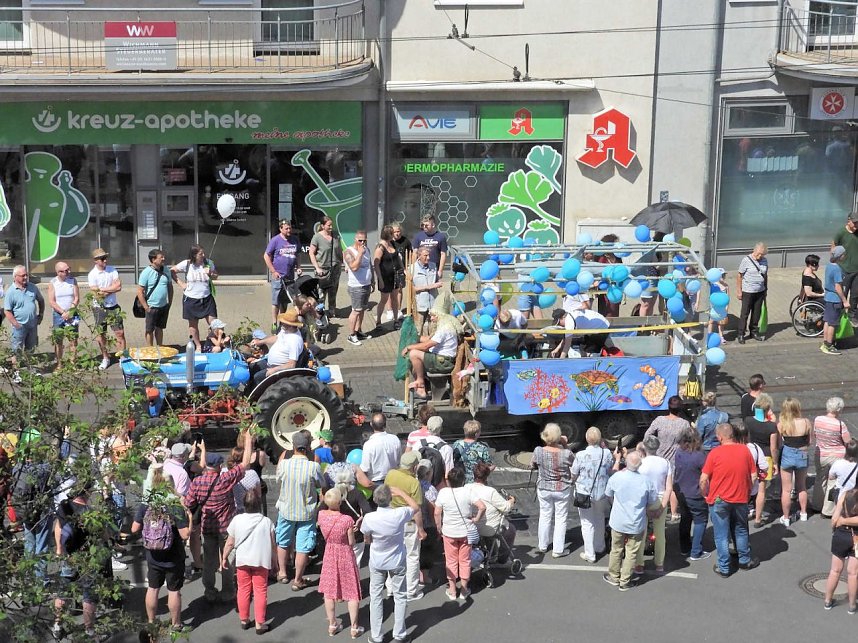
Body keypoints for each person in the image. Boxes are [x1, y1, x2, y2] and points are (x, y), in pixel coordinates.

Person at [183, 432, 252, 603]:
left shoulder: (197, 482)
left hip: (208, 526)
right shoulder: (225, 480)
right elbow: (245, 463)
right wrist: (249, 440)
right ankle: (228, 591)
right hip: (226, 527)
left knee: (209, 561)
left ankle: (210, 590)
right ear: (219, 466)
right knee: (227, 559)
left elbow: (189, 502)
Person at [360, 484, 422, 643]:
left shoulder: (370, 518)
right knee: (400, 596)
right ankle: (400, 635)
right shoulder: (399, 514)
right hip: (397, 560)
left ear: (375, 499)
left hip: (377, 560)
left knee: (376, 597)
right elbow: (415, 507)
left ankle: (376, 636)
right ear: (390, 498)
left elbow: (366, 537)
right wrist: (401, 491)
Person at [130, 482, 191, 636]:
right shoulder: (174, 506)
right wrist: (189, 518)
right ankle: (176, 624)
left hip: (153, 555)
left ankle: (151, 621)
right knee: (174, 590)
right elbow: (184, 535)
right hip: (173, 556)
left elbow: (134, 528)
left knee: (153, 588)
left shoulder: (146, 506)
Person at [700, 423, 758, 578]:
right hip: (740, 498)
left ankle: (724, 567)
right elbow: (753, 475)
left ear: (719, 437)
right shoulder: (745, 450)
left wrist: (705, 494)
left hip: (719, 499)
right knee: (741, 529)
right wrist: (747, 490)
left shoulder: (714, 453)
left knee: (721, 534)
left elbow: (704, 479)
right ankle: (744, 560)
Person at [221, 489, 275, 635]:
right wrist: (274, 561)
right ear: (259, 504)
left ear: (244, 504)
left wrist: (224, 557)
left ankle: (244, 619)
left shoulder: (237, 520)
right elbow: (272, 544)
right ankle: (260, 623)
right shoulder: (266, 521)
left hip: (243, 560)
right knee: (260, 591)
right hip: (260, 560)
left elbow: (230, 542)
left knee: (243, 589)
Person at [274, 431, 323, 590]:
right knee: (303, 546)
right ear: (308, 447)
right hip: (306, 511)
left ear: (293, 446)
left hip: (286, 508)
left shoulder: (284, 464)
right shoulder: (313, 466)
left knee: (283, 540)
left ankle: (282, 572)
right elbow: (320, 484)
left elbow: (278, 480)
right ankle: (298, 579)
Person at [603, 451, 659, 591]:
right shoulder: (646, 481)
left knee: (616, 549)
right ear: (640, 465)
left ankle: (614, 576)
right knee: (631, 552)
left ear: (626, 463)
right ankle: (625, 580)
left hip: (618, 521)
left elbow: (608, 495)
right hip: (636, 522)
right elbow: (652, 501)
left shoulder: (617, 477)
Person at [317, 488, 364, 638]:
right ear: (339, 502)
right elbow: (351, 542)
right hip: (345, 555)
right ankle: (354, 628)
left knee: (329, 592)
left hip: (329, 553)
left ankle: (332, 624)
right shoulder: (346, 520)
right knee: (351, 592)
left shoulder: (321, 515)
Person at [435, 467, 486, 602]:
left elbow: (437, 512)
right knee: (465, 561)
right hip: (465, 532)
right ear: (463, 480)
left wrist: (439, 528)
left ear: (449, 481)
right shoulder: (467, 492)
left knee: (450, 561)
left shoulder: (443, 493)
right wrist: (476, 519)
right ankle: (464, 590)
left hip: (449, 532)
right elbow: (482, 507)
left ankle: (452, 590)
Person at [384, 451, 427, 601]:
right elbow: (417, 509)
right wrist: (421, 529)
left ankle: (390, 587)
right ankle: (410, 591)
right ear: (414, 467)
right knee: (412, 556)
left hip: (392, 519)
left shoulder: (391, 474)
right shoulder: (413, 483)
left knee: (393, 553)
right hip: (408, 522)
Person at [531, 422, 574, 558]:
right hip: (562, 488)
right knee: (561, 518)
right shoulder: (566, 453)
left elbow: (532, 464)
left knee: (545, 515)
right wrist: (565, 444)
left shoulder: (538, 450)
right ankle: (558, 550)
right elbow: (574, 463)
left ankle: (543, 545)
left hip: (544, 487)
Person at [643, 395, 690, 521]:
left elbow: (647, 435)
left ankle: (654, 505)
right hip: (675, 459)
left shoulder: (659, 420)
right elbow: (688, 441)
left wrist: (653, 444)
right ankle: (674, 512)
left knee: (657, 484)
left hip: (658, 456)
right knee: (673, 487)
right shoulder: (684, 424)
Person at [569, 427, 612, 563]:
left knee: (587, 522)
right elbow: (609, 469)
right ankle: (600, 546)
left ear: (587, 439)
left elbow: (574, 474)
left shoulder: (581, 455)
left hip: (584, 493)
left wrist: (571, 482)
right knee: (600, 518)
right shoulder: (606, 453)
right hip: (602, 492)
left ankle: (590, 553)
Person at [402, 308, 460, 400]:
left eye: (433, 316)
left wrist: (410, 347)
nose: (431, 318)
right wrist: (415, 337)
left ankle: (420, 383)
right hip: (442, 359)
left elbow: (426, 346)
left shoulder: (444, 329)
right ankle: (425, 384)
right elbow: (429, 340)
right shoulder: (444, 325)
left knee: (413, 354)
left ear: (439, 315)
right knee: (412, 359)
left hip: (442, 362)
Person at [171, 244, 218, 351]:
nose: (203, 255)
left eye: (203, 253)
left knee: (215, 324)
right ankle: (198, 346)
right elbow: (172, 271)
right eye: (201, 254)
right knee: (193, 325)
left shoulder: (208, 263)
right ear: (194, 255)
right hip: (191, 299)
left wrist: (211, 272)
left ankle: (211, 341)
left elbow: (216, 276)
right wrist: (181, 284)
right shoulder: (187, 264)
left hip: (206, 298)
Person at [673, 428, 710, 560]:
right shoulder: (700, 456)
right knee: (700, 521)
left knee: (685, 519)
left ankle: (684, 547)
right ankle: (696, 551)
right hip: (695, 493)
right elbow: (706, 476)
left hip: (681, 492)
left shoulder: (678, 453)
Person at [813, 397, 853, 516]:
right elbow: (848, 441)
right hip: (837, 456)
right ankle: (828, 511)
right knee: (833, 482)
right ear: (838, 409)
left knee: (820, 479)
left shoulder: (818, 420)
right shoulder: (840, 424)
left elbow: (815, 434)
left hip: (820, 454)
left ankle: (816, 505)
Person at [87, 249, 126, 370]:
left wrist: (104, 290)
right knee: (101, 334)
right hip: (99, 307)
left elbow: (119, 286)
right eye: (102, 258)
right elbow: (97, 294)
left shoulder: (112, 270)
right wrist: (110, 289)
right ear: (95, 261)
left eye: (105, 257)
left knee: (120, 333)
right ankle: (105, 357)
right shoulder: (92, 274)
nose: (105, 260)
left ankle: (122, 357)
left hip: (113, 306)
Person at [776, 397, 812, 525]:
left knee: (786, 489)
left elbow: (779, 443)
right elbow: (809, 441)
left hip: (787, 455)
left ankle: (786, 517)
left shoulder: (781, 424)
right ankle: (803, 513)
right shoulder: (806, 422)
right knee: (802, 486)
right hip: (802, 453)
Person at [745, 392, 778, 527]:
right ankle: (758, 519)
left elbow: (745, 439)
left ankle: (746, 511)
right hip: (766, 457)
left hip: (750, 455)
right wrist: (775, 463)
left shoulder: (748, 421)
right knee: (762, 489)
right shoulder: (771, 426)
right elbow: (773, 448)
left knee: (747, 484)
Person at [263, 219, 301, 329]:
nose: (289, 230)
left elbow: (298, 254)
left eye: (290, 228)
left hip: (290, 277)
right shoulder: (275, 240)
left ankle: (282, 321)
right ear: (281, 229)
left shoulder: (294, 240)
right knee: (276, 301)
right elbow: (266, 256)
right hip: (278, 277)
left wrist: (298, 267)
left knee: (285, 302)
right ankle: (274, 323)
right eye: (286, 228)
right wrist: (273, 271)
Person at [4, 265, 44, 369]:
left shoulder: (32, 287)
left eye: (26, 275)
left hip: (32, 325)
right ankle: (16, 371)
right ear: (15, 277)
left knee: (31, 348)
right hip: (19, 326)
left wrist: (41, 315)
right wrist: (16, 324)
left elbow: (41, 300)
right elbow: (7, 311)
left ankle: (29, 369)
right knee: (16, 350)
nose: (26, 277)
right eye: (23, 276)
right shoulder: (11, 292)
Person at [824, 489, 858, 611]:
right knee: (853, 573)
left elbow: (834, 518)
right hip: (856, 538)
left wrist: (838, 525)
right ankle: (852, 605)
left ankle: (828, 601)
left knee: (835, 570)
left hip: (841, 534)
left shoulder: (846, 494)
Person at [467, 462, 516, 546]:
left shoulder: (466, 487)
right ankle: (502, 557)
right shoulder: (490, 491)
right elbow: (506, 508)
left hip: (470, 527)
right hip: (488, 528)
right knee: (511, 530)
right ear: (486, 477)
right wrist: (512, 500)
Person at [250, 309, 305, 382]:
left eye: (284, 323)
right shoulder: (285, 330)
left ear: (291, 326)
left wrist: (274, 370)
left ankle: (256, 393)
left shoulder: (295, 340)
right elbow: (276, 338)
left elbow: (291, 365)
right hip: (269, 363)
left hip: (278, 369)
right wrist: (260, 342)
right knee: (252, 367)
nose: (281, 324)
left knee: (257, 377)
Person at [136, 248, 172, 347]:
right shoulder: (146, 272)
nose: (164, 259)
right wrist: (146, 307)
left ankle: (160, 347)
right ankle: (150, 349)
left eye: (163, 256)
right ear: (153, 260)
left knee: (160, 328)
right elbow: (139, 291)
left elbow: (170, 287)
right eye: (161, 257)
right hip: (151, 306)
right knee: (149, 330)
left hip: (163, 306)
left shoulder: (166, 270)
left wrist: (170, 302)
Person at [343, 230, 374, 346]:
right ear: (355, 239)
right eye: (360, 240)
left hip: (366, 284)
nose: (362, 243)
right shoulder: (348, 252)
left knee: (362, 310)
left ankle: (358, 331)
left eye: (364, 240)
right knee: (355, 311)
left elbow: (370, 265)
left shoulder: (368, 250)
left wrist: (373, 281)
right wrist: (360, 253)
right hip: (356, 286)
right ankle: (351, 335)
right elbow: (354, 267)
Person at [309, 216, 343, 317]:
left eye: (332, 225)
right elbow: (311, 253)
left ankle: (332, 310)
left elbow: (340, 250)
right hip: (323, 270)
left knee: (333, 291)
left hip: (335, 269)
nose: (331, 227)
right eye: (329, 225)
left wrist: (343, 263)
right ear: (323, 226)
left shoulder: (336, 235)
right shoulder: (317, 237)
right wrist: (317, 268)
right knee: (321, 294)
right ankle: (320, 313)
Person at [374, 224, 406, 331]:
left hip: (395, 276)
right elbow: (376, 264)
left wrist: (403, 269)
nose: (395, 235)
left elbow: (398, 258)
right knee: (384, 299)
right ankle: (378, 320)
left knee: (395, 299)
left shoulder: (392, 244)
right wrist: (380, 279)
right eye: (392, 233)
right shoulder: (380, 247)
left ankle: (396, 320)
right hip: (385, 277)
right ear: (388, 234)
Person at [736, 241, 768, 343]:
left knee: (756, 313)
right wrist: (739, 291)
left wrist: (765, 288)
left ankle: (753, 331)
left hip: (760, 291)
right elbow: (739, 276)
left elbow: (765, 275)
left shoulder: (765, 261)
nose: (760, 256)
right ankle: (741, 333)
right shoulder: (746, 260)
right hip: (748, 291)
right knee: (745, 313)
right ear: (754, 250)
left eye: (762, 254)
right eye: (758, 253)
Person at [48, 261, 80, 363]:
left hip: (72, 313)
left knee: (73, 340)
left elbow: (77, 298)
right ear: (58, 272)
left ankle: (73, 363)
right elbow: (51, 302)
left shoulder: (72, 280)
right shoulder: (53, 283)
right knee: (58, 341)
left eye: (68, 269)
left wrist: (70, 311)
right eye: (65, 271)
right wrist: (63, 313)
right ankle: (59, 364)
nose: (68, 272)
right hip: (58, 315)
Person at [821, 245, 850, 355]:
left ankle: (825, 343)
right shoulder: (837, 269)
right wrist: (844, 301)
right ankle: (829, 345)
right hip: (834, 299)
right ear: (840, 256)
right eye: (844, 254)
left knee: (827, 321)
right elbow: (838, 287)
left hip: (828, 297)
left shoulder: (829, 266)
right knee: (833, 323)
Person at [361, 412, 402, 487]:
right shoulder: (395, 439)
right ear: (385, 424)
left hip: (376, 483)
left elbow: (365, 468)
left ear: (371, 424)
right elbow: (399, 462)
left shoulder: (368, 445)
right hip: (394, 480)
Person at [832, 212, 858, 324]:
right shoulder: (841, 232)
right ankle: (840, 315)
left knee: (855, 294)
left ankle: (852, 315)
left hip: (856, 270)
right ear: (849, 221)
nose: (857, 224)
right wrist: (835, 264)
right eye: (855, 222)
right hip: (844, 269)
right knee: (843, 293)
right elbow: (833, 248)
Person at [452, 420, 494, 484]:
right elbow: (488, 467)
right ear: (476, 434)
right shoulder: (482, 448)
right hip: (476, 482)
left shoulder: (456, 444)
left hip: (459, 481)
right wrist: (493, 467)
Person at [412, 247, 441, 333]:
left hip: (433, 303)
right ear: (419, 255)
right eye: (425, 255)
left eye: (429, 255)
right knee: (418, 328)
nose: (428, 258)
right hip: (420, 303)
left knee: (433, 328)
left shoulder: (433, 266)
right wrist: (429, 286)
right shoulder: (412, 269)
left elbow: (437, 280)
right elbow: (412, 288)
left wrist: (438, 282)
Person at [411, 214, 448, 278]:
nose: (424, 227)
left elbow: (443, 254)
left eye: (426, 225)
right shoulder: (418, 236)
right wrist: (413, 269)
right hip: (420, 268)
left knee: (433, 287)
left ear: (433, 225)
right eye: (423, 225)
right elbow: (415, 253)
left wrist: (440, 270)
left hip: (434, 268)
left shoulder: (440, 237)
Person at [707, 268, 729, 341]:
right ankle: (709, 334)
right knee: (711, 320)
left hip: (723, 306)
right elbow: (711, 296)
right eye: (722, 275)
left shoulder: (726, 286)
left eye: (724, 275)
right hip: (714, 306)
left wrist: (727, 307)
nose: (723, 277)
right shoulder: (714, 285)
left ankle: (721, 336)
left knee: (721, 322)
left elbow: (727, 297)